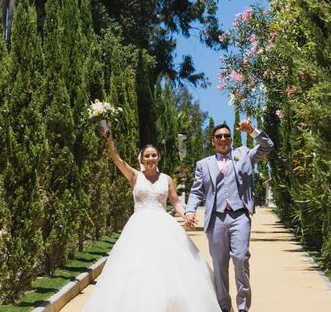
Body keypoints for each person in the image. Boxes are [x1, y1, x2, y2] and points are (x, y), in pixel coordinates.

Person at [82, 120, 220, 312]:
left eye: (154, 155)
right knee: (136, 268)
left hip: (164, 226)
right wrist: (109, 137)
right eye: (147, 155)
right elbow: (116, 159)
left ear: (159, 157)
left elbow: (176, 202)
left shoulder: (167, 179)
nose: (151, 158)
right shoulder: (134, 176)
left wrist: (187, 215)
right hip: (138, 227)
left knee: (170, 268)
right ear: (142, 158)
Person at [183, 120, 274, 312]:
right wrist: (189, 210)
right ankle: (224, 306)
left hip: (239, 216)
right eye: (219, 136)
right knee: (220, 264)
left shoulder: (244, 155)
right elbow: (196, 192)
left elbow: (268, 146)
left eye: (226, 136)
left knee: (241, 258)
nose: (223, 139)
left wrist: (253, 132)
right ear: (213, 140)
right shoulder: (203, 164)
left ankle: (242, 307)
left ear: (231, 139)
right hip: (215, 219)